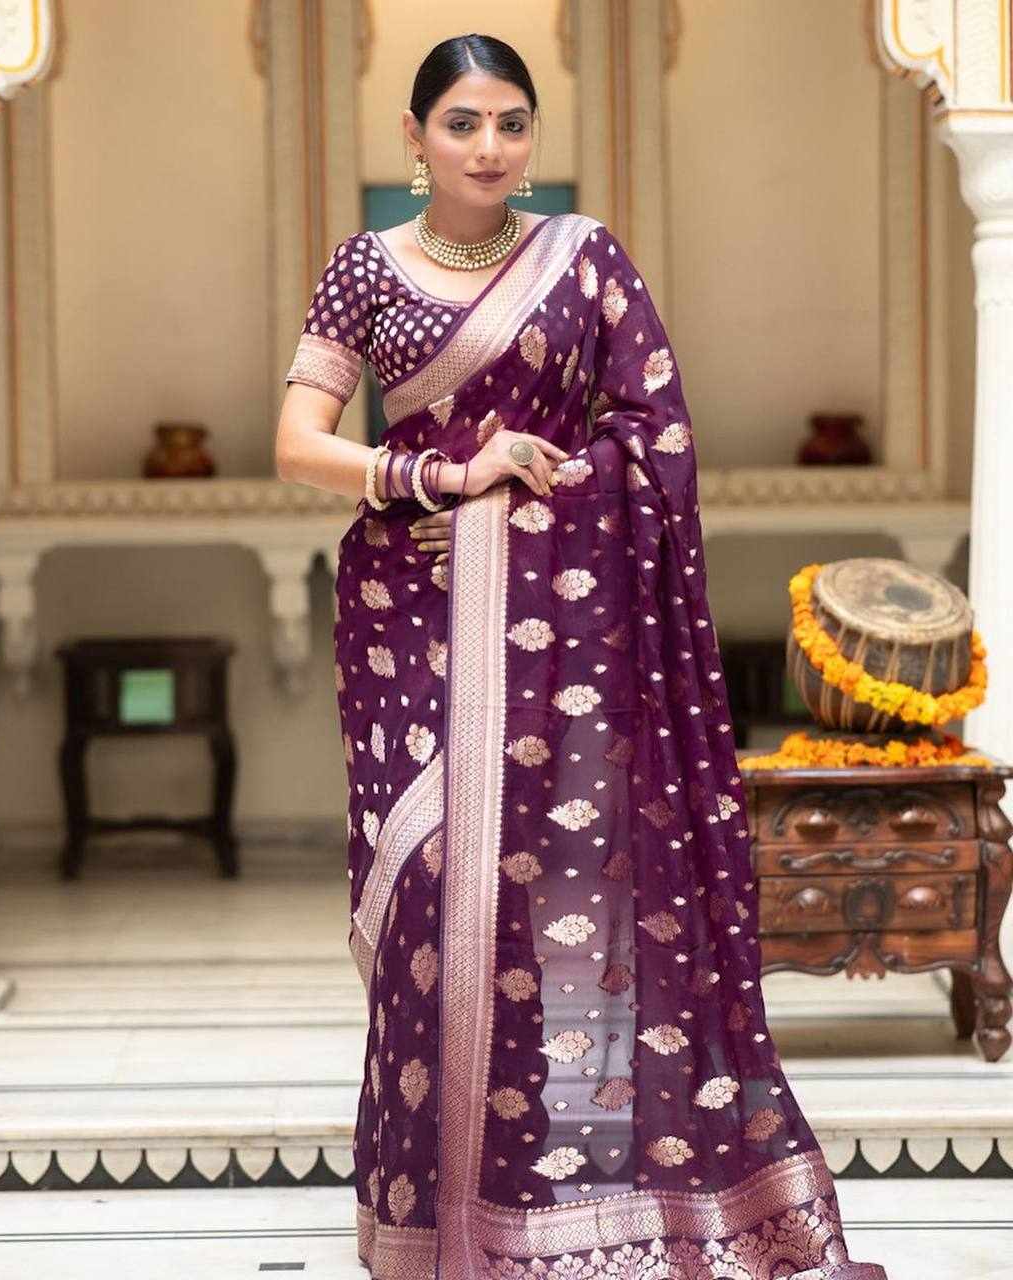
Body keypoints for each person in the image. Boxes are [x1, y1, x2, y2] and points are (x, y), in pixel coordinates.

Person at [275, 32, 889, 1280]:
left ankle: (562, 1213)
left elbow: (655, 437)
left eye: (512, 122)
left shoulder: (584, 258)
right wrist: (446, 477)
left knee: (563, 899)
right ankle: (431, 1228)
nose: (489, 147)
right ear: (413, 137)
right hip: (411, 614)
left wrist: (514, 507)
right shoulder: (363, 269)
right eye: (461, 123)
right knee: (429, 898)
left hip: (565, 638)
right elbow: (298, 443)